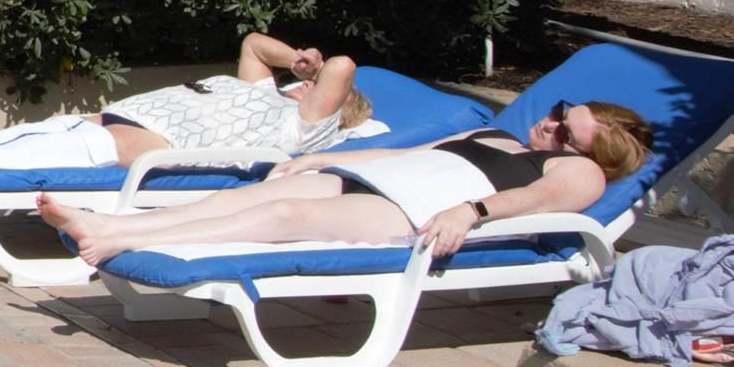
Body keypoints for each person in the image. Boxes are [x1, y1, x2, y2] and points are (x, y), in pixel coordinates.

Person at [40, 98, 655, 266]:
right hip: (375, 176)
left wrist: (470, 212)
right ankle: (111, 225)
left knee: (282, 221)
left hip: (418, 209)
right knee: (245, 196)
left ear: (588, 154)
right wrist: (315, 162)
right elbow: (408, 150)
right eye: (560, 112)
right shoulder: (498, 134)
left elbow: (532, 199)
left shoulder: (578, 173)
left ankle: (120, 239)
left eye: (566, 132)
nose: (551, 125)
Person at [0, 33, 373, 202]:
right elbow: (254, 44)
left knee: (0, 161)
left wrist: (319, 68)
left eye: (313, 84)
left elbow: (344, 66)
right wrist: (295, 58)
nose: (303, 81)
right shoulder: (261, 92)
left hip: (125, 148)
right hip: (99, 122)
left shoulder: (304, 125)